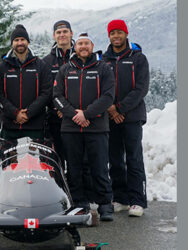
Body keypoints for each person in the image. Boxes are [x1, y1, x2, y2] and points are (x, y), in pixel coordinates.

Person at [53, 32, 115, 221]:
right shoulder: (65, 69)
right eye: (80, 44)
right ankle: (79, 203)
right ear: (75, 47)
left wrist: (86, 114)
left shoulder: (103, 68)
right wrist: (75, 115)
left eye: (86, 43)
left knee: (99, 167)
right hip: (71, 128)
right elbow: (57, 96)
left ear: (92, 45)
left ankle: (105, 204)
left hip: (97, 127)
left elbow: (108, 96)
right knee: (74, 168)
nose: (83, 47)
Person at [102, 19, 150, 217]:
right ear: (109, 36)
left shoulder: (138, 58)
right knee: (114, 159)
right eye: (113, 33)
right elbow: (101, 88)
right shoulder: (103, 59)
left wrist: (120, 108)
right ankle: (120, 198)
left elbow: (141, 89)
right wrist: (111, 110)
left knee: (134, 158)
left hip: (132, 116)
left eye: (119, 32)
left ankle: (137, 200)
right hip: (110, 117)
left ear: (126, 34)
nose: (116, 36)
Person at [0, 24, 52, 140]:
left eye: (23, 39)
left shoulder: (41, 66)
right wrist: (15, 113)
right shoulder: (1, 68)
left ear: (28, 42)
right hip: (9, 125)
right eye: (16, 40)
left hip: (35, 125)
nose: (20, 43)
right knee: (10, 159)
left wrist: (29, 113)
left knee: (35, 159)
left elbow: (47, 92)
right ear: (12, 43)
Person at [43, 20, 74, 167]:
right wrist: (60, 108)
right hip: (55, 118)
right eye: (58, 32)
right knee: (57, 161)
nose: (62, 35)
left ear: (71, 33)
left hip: (77, 117)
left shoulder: (81, 55)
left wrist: (70, 110)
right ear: (54, 36)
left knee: (78, 162)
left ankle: (78, 190)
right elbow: (46, 89)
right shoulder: (46, 62)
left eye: (65, 31)